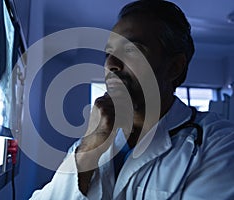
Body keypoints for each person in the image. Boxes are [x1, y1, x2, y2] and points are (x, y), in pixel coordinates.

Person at [30, 0, 234, 199]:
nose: (111, 64)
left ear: (174, 67)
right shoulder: (90, 143)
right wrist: (88, 151)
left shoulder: (220, 144)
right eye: (108, 53)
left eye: (130, 51)